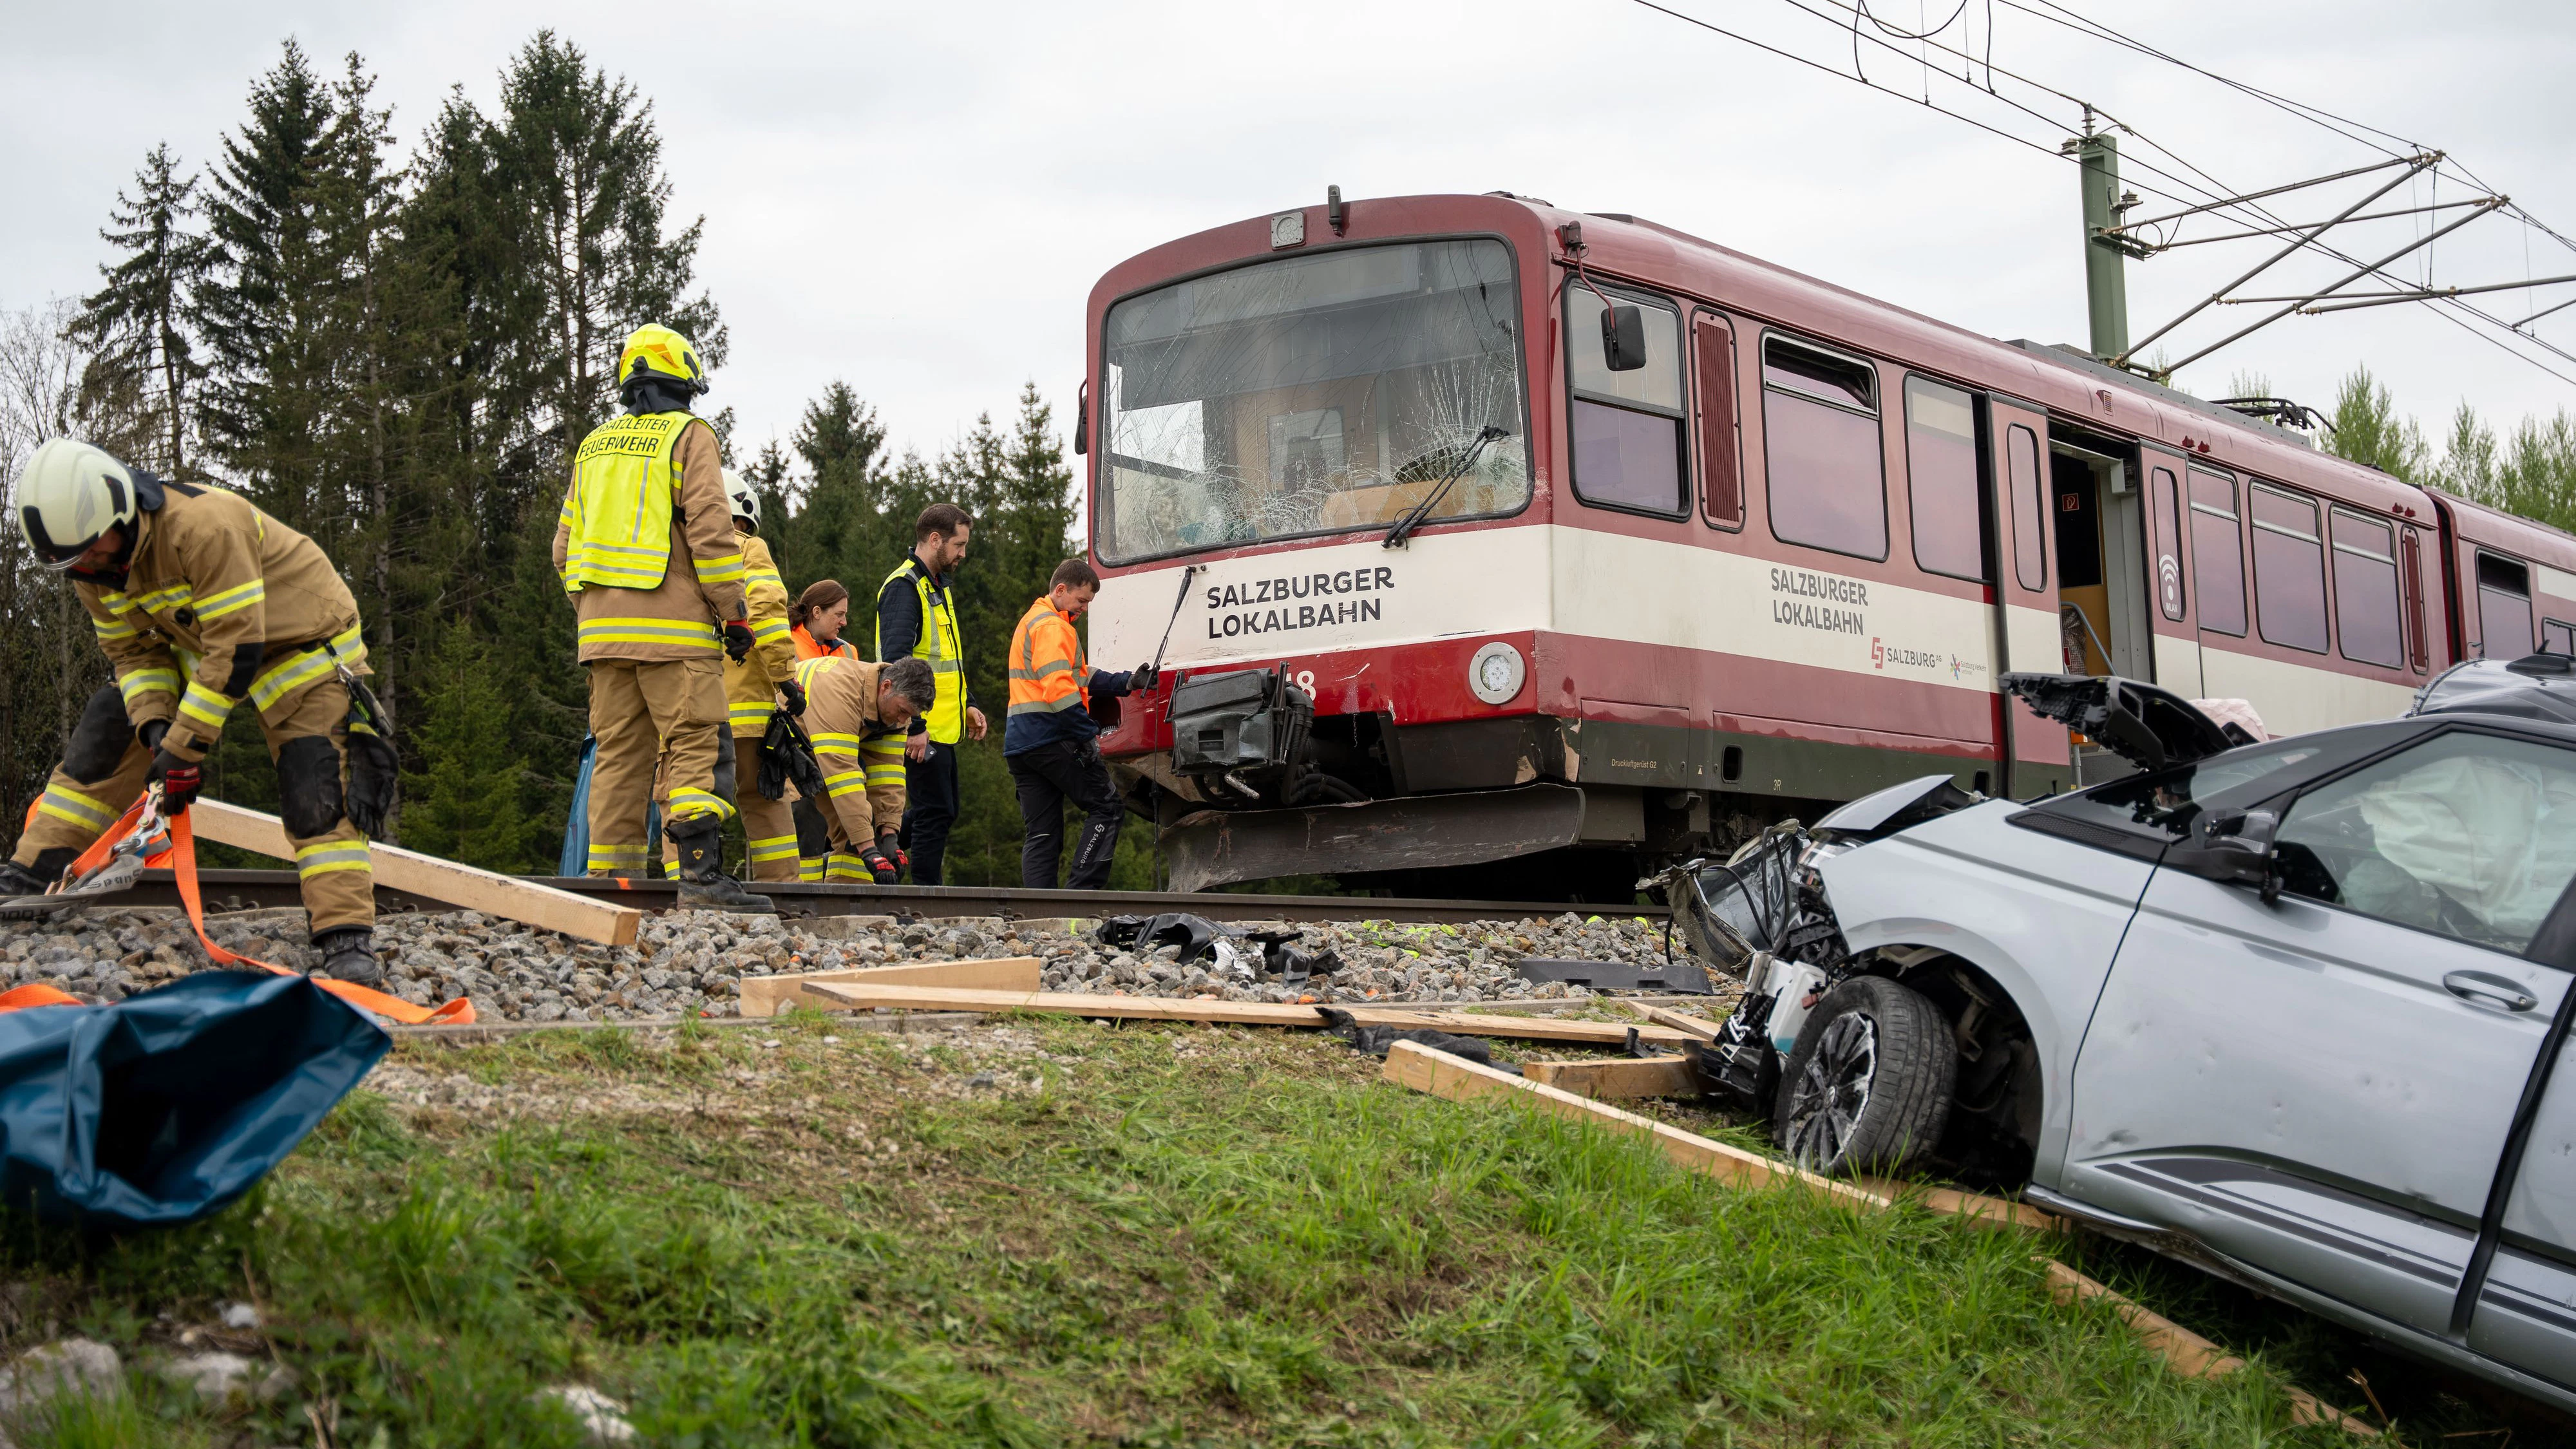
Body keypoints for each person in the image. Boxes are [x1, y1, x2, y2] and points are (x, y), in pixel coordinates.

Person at [3, 439, 387, 983]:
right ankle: (30, 876)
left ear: (123, 512)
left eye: (91, 549)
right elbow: (134, 655)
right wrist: (156, 726)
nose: (86, 566)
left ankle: (346, 936)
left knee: (316, 787)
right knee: (107, 734)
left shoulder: (205, 526)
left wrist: (184, 748)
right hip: (207, 648)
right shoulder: (93, 570)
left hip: (299, 646)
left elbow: (237, 649)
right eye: (72, 561)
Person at [551, 323, 770, 914]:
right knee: (697, 743)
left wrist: (595, 611)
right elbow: (709, 529)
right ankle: (701, 879)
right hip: (674, 635)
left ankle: (609, 888)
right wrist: (734, 615)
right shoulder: (689, 435)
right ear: (685, 381)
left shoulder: (593, 446)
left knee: (620, 756)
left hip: (602, 637)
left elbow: (562, 550)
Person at [1004, 559, 1155, 889]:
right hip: (1052, 738)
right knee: (1107, 808)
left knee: (1042, 831)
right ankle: (1081, 897)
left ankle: (1041, 912)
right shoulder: (1053, 627)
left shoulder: (1033, 622)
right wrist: (1086, 736)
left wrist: (1128, 681)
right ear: (1061, 590)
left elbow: (1080, 676)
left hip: (1021, 745)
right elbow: (1059, 687)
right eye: (1081, 600)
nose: (1084, 608)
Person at [874, 502, 988, 886]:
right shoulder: (905, 588)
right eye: (959, 544)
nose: (963, 554)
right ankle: (925, 893)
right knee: (934, 812)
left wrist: (968, 703)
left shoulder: (936, 588)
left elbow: (947, 660)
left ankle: (876, 848)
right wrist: (914, 724)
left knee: (942, 810)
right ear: (935, 539)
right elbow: (897, 662)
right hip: (921, 728)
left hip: (942, 727)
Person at [719, 471, 804, 882]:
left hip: (680, 708)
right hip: (745, 707)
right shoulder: (748, 548)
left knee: (685, 797)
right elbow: (768, 614)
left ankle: (683, 888)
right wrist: (787, 679)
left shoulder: (671, 552)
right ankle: (784, 891)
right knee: (764, 797)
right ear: (742, 513)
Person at [795, 654, 933, 883]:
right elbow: (843, 780)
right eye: (902, 710)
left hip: (817, 750)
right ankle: (797, 902)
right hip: (780, 746)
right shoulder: (839, 693)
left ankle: (847, 904)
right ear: (885, 687)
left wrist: (890, 837)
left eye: (909, 715)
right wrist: (869, 850)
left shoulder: (894, 713)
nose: (902, 719)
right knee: (806, 820)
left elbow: (888, 778)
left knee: (857, 829)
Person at [791, 580, 855, 661]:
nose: (844, 623)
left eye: (844, 615)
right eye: (839, 614)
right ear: (817, 612)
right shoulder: (785, 649)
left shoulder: (848, 650)